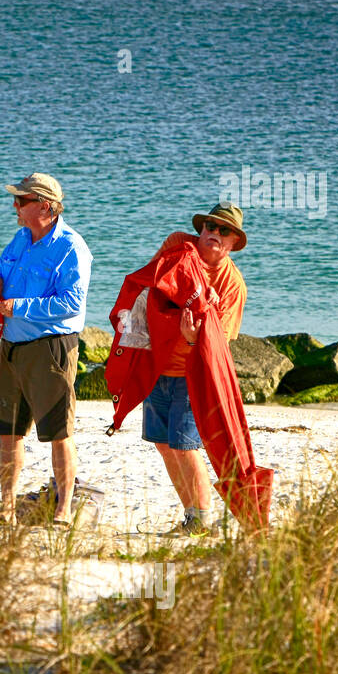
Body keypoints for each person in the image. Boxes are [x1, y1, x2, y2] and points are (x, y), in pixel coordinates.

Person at [0, 173, 92, 527]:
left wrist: (21, 307)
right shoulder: (20, 238)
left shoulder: (71, 247)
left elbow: (72, 303)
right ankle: (7, 508)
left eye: (21, 200)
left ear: (44, 206)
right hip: (12, 345)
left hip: (50, 348)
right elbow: (2, 268)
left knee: (58, 432)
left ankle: (62, 510)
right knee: (8, 431)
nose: (14, 206)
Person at [142, 201, 248, 536]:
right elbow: (151, 284)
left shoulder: (232, 286)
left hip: (192, 375)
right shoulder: (177, 244)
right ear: (201, 229)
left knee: (185, 446)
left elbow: (218, 345)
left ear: (233, 243)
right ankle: (192, 515)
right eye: (211, 227)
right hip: (157, 363)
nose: (215, 234)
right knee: (162, 443)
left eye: (224, 231)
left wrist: (191, 337)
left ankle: (204, 519)